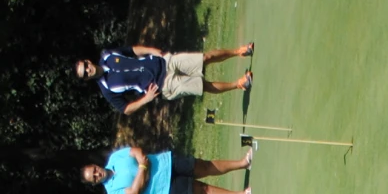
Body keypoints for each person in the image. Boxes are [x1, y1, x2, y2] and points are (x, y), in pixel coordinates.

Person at [74, 43, 255, 115]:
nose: (88, 70)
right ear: (87, 79)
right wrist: (146, 99)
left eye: (86, 66)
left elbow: (133, 50)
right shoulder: (107, 89)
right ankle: (238, 84)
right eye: (85, 74)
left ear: (88, 61)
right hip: (164, 86)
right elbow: (126, 109)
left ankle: (239, 51)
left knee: (205, 58)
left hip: (164, 62)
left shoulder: (108, 55)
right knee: (203, 85)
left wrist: (153, 51)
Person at [85, 143, 251, 194]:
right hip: (164, 192)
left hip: (166, 162)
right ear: (94, 183)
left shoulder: (114, 159)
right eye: (94, 178)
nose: (97, 174)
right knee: (202, 190)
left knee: (205, 166)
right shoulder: (113, 192)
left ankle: (243, 162)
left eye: (94, 171)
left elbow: (136, 151)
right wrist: (143, 167)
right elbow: (134, 192)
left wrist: (142, 175)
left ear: (95, 165)